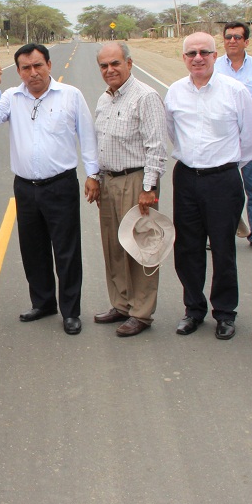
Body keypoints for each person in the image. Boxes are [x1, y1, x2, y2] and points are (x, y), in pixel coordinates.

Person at [0, 43, 100, 335]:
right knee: (32, 249)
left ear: (49, 64)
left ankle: (70, 311)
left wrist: (93, 174)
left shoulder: (70, 96)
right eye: (26, 68)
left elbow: (87, 136)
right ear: (19, 71)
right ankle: (43, 302)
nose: (33, 73)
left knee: (66, 251)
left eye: (38, 65)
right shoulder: (12, 97)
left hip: (60, 185)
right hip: (25, 187)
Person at [164, 32, 252, 341]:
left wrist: (225, 166)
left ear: (216, 55)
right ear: (184, 58)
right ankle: (193, 309)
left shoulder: (236, 91)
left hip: (224, 179)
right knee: (187, 248)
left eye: (204, 52)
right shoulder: (175, 92)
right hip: (187, 177)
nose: (198, 58)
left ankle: (225, 312)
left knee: (223, 247)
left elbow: (250, 140)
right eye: (191, 53)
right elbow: (172, 133)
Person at [91, 41, 168, 338]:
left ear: (129, 63)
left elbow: (157, 146)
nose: (110, 70)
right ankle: (121, 303)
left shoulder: (145, 97)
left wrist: (148, 187)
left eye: (115, 63)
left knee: (141, 246)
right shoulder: (104, 100)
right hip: (110, 182)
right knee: (113, 245)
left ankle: (141, 312)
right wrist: (96, 178)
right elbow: (102, 144)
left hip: (137, 182)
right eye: (104, 65)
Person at [212, 22, 252, 252]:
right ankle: (219, 233)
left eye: (237, 37)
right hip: (222, 140)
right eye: (228, 37)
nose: (232, 41)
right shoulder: (214, 67)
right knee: (220, 191)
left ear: (246, 41)